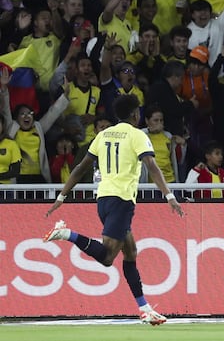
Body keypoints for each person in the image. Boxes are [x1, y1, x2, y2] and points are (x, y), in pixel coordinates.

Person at [43, 94, 184, 325]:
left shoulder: (103, 135)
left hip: (104, 199)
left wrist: (62, 196)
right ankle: (67, 233)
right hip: (121, 201)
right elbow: (151, 165)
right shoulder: (138, 135)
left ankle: (146, 309)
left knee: (130, 253)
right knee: (108, 257)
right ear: (135, 115)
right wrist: (169, 196)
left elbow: (80, 168)